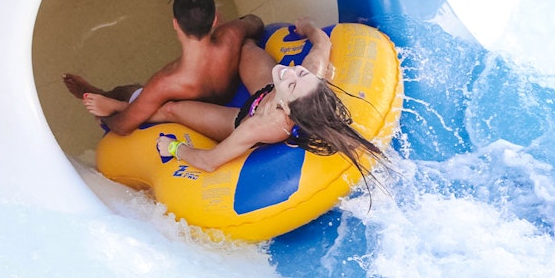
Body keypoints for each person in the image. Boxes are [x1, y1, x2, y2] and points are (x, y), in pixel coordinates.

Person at [153, 18, 385, 178]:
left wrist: (175, 147)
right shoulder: (310, 78)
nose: (291, 70)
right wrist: (308, 27)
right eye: (301, 72)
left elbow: (209, 161)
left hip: (241, 117)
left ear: (285, 107)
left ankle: (130, 104)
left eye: (293, 81)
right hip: (266, 90)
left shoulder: (260, 126)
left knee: (172, 109)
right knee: (242, 47)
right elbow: (323, 42)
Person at [63, 0, 264, 136]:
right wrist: (230, 28)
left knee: (129, 91)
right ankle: (108, 99)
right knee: (247, 45)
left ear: (175, 24)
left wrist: (107, 119)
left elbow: (123, 126)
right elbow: (256, 22)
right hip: (226, 97)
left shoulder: (167, 81)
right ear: (215, 19)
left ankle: (104, 97)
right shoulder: (231, 36)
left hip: (196, 116)